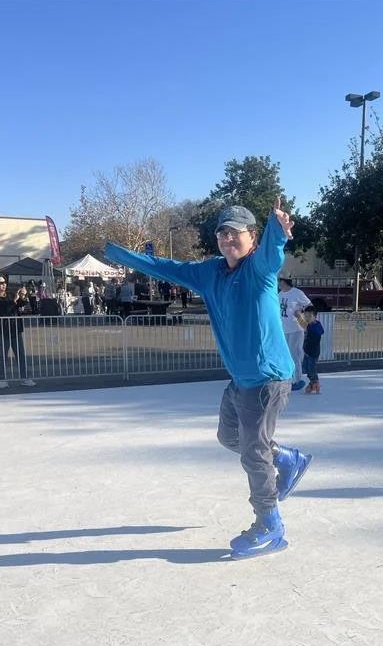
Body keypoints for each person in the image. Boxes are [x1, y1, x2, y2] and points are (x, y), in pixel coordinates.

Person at [105, 199, 312, 559]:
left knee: (252, 453)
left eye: (237, 233)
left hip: (267, 379)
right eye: (223, 232)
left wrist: (277, 229)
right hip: (241, 380)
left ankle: (270, 525)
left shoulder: (258, 269)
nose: (229, 238)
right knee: (229, 437)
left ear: (251, 238)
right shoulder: (209, 273)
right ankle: (288, 459)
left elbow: (272, 254)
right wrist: (122, 255)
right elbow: (165, 267)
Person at [0, 277, 35, 388]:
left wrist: (23, 296)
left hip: (15, 328)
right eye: (1, 283)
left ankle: (25, 377)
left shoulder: (10, 295)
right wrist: (14, 300)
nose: (4, 285)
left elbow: (20, 304)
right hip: (3, 329)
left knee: (20, 354)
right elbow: (5, 309)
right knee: (2, 355)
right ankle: (2, 379)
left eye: (4, 283)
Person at [278, 277, 311, 391]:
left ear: (283, 282)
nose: (278, 284)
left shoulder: (297, 293)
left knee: (294, 353)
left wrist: (303, 315)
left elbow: (309, 305)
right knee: (286, 354)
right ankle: (289, 377)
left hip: (296, 328)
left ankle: (298, 379)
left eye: (279, 281)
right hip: (284, 329)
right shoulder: (280, 294)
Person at [299, 305, 324, 394]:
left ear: (315, 317)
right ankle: (312, 382)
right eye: (306, 316)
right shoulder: (309, 325)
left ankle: (315, 383)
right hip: (307, 352)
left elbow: (320, 331)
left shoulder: (316, 326)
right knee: (305, 368)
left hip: (313, 353)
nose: (307, 318)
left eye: (310, 316)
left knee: (311, 369)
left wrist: (298, 316)